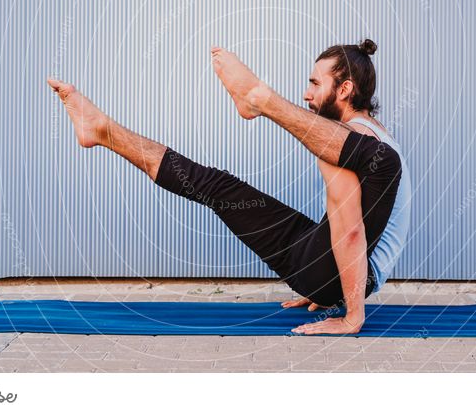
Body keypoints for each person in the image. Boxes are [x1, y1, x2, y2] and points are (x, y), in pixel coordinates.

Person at [47, 39, 411, 335]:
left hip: (334, 273)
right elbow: (342, 225)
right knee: (218, 187)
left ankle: (261, 99)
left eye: (316, 83)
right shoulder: (363, 138)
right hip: (323, 265)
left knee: (378, 161)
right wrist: (325, 282)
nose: (306, 93)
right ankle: (102, 129)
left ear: (344, 88)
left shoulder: (355, 144)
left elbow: (350, 232)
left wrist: (351, 315)